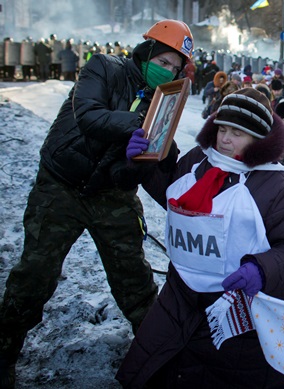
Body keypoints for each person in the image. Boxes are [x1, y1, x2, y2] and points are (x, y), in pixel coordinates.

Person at [0, 20, 194, 389]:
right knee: (33, 278)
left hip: (112, 196)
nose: (168, 71)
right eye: (164, 61)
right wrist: (137, 125)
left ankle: (159, 360)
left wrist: (143, 160)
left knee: (136, 285)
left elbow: (144, 168)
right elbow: (88, 114)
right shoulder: (103, 67)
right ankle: (4, 353)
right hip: (60, 186)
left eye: (175, 67)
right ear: (148, 51)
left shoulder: (163, 102)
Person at [116, 88, 284, 388]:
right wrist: (144, 164)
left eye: (237, 132)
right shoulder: (200, 159)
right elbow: (175, 199)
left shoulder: (278, 183)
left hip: (237, 313)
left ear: (257, 138)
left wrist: (261, 269)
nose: (224, 139)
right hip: (179, 300)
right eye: (222, 129)